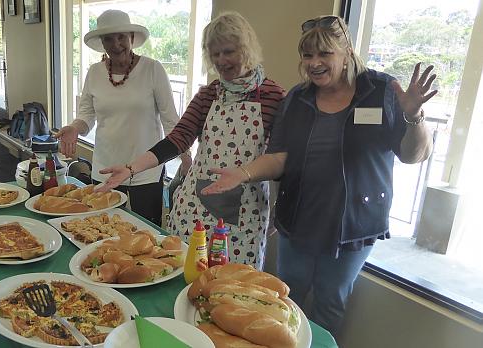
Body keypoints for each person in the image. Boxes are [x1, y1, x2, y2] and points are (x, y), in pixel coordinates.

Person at [201, 15, 436, 336]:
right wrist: (243, 173)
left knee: (330, 302)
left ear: (346, 51)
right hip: (298, 222)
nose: (314, 63)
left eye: (324, 54)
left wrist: (413, 116)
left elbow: (414, 156)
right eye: (307, 55)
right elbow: (280, 157)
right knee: (284, 299)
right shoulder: (298, 98)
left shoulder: (381, 91)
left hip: (353, 227)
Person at [96, 12, 285, 269]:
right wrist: (131, 168)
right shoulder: (209, 95)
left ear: (247, 48)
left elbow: (281, 158)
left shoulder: (274, 97)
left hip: (244, 212)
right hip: (195, 206)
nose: (221, 61)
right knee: (182, 274)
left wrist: (280, 205)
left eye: (228, 51)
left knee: (232, 283)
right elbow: (178, 138)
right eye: (214, 54)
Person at [55, 9, 189, 226]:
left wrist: (186, 157)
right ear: (102, 42)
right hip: (104, 169)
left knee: (146, 233)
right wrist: (74, 128)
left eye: (121, 37)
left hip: (146, 171)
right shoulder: (94, 72)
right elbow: (87, 116)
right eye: (109, 39)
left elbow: (170, 119)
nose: (116, 44)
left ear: (132, 38)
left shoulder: (152, 69)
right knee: (101, 230)